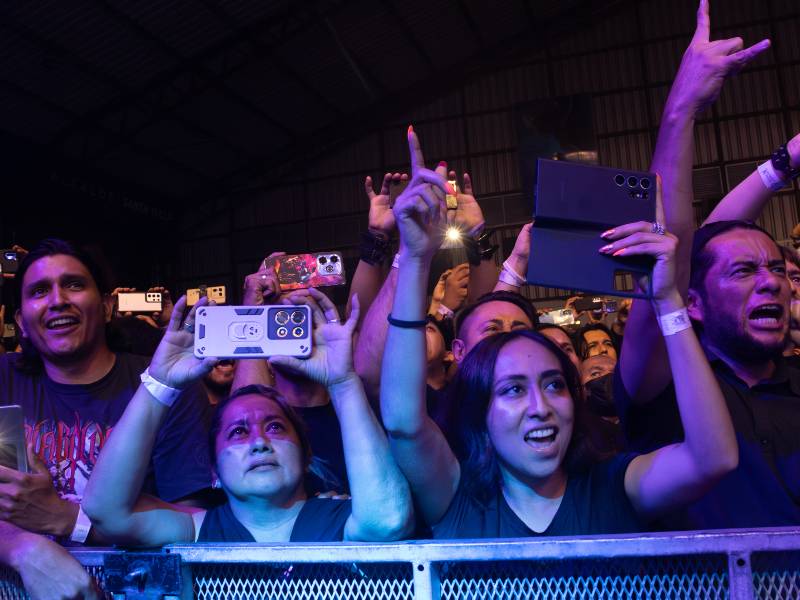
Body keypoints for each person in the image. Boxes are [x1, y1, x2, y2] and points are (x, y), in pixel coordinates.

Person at [380, 127, 737, 538]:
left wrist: (668, 301)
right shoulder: (456, 496)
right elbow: (404, 421)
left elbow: (714, 458)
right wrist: (414, 257)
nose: (540, 407)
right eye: (513, 389)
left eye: (554, 385)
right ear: (480, 411)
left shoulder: (614, 487)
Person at [83, 291, 413, 544]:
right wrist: (160, 383)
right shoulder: (201, 530)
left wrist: (343, 383)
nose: (259, 441)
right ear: (214, 467)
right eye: (238, 433)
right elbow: (106, 511)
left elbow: (388, 520)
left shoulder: (338, 517)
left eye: (275, 426)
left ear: (305, 454)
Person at [0, 239, 212, 600]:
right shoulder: (3, 379)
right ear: (21, 320)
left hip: (134, 587)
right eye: (39, 291)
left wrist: (69, 520)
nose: (57, 301)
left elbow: (194, 524)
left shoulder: (167, 384)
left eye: (74, 284)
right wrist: (20, 546)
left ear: (107, 305)